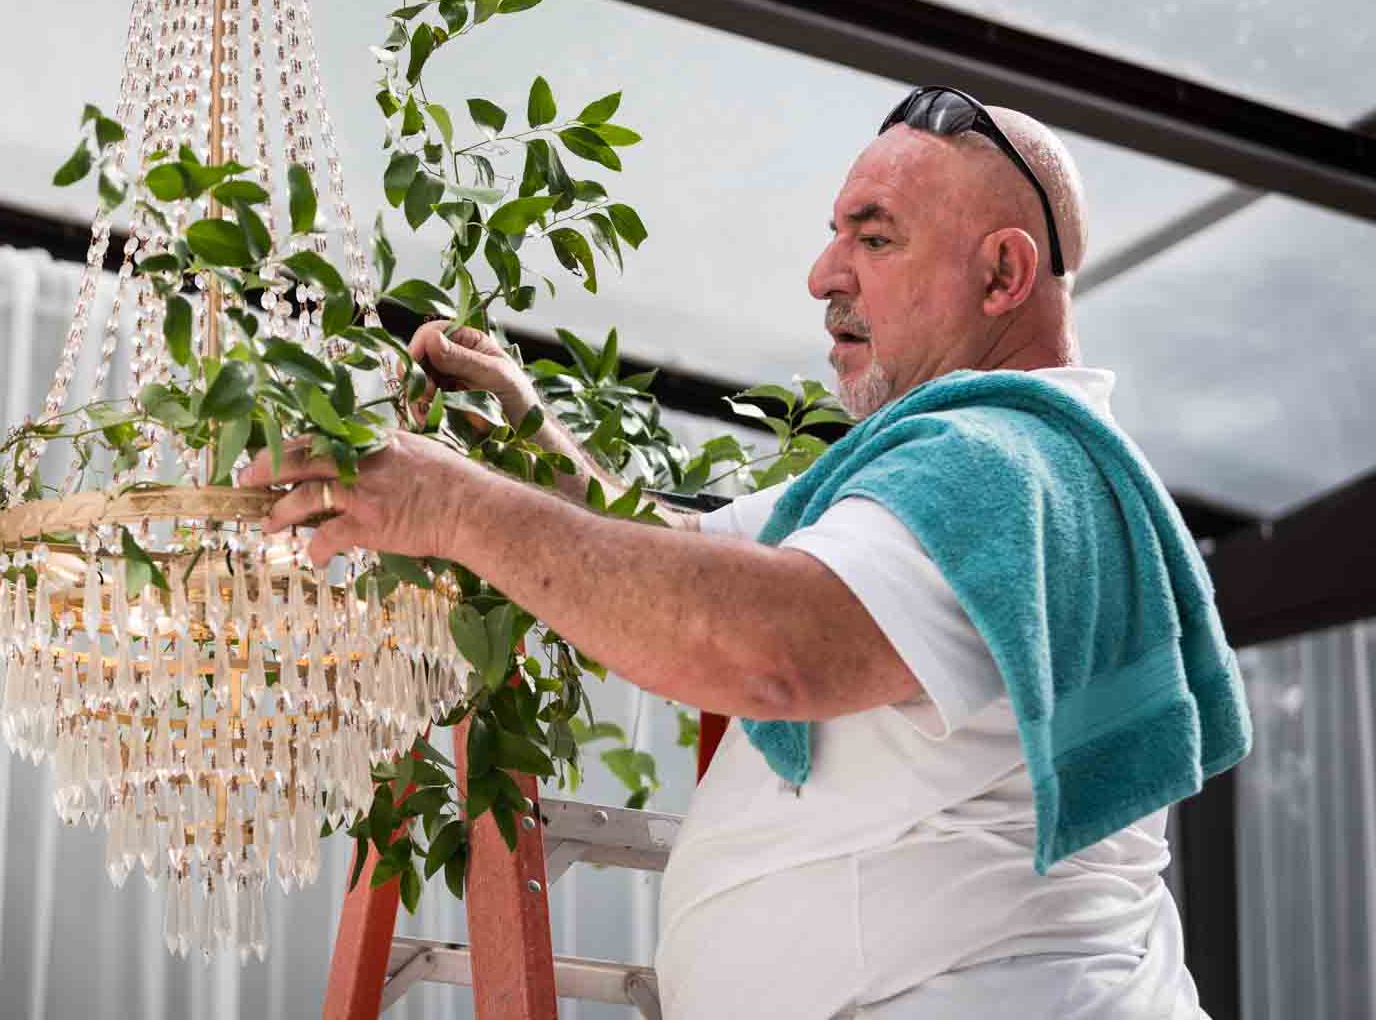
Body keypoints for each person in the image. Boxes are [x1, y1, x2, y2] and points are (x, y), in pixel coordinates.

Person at [240, 86, 1248, 1018]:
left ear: (1003, 274)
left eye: (876, 238)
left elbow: (770, 643)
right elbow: (682, 557)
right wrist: (528, 441)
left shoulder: (997, 459)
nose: (823, 276)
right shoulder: (977, 465)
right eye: (833, 237)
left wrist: (452, 508)